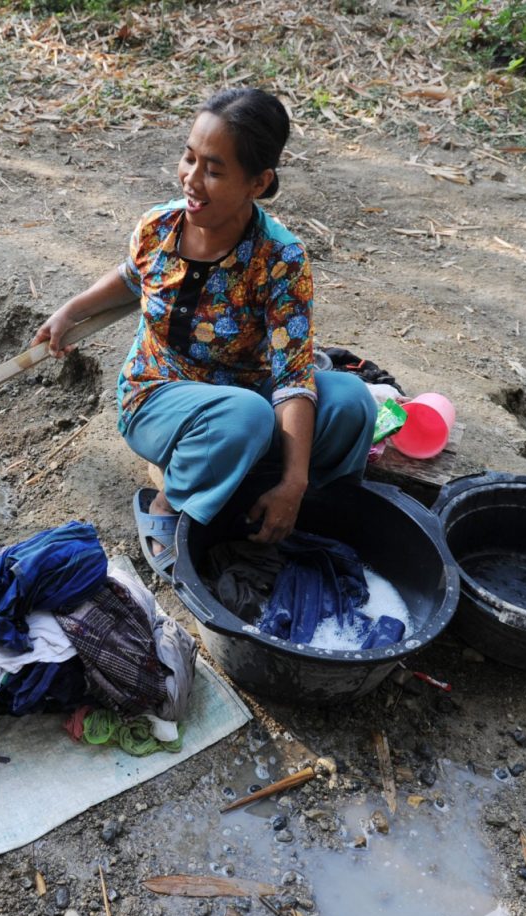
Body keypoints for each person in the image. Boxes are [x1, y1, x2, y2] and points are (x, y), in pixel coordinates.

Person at [32, 88, 376, 581]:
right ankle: (167, 505)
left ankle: (299, 505)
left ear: (258, 182)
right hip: (159, 394)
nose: (192, 179)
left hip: (246, 394)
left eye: (214, 170)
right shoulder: (159, 228)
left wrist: (295, 483)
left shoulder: (281, 258)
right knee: (245, 417)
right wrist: (71, 310)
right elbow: (132, 277)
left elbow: (295, 374)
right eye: (189, 159)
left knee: (351, 401)